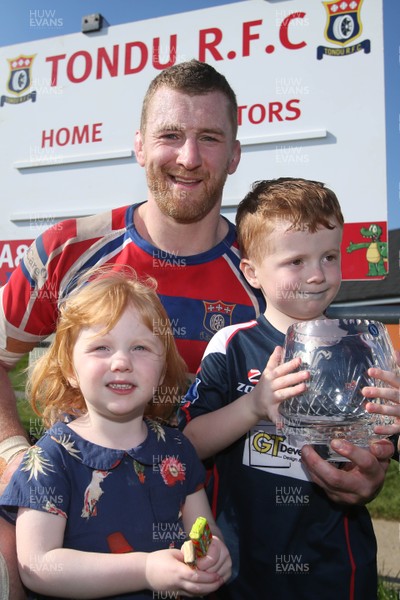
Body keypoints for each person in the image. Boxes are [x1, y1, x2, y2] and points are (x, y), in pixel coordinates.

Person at [0, 60, 397, 599]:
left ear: (234, 153)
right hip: (79, 524)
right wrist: (11, 453)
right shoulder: (69, 251)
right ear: (139, 145)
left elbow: (337, 414)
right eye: (170, 135)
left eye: (209, 138)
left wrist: (364, 472)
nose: (188, 158)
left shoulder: (273, 272)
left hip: (215, 551)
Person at [180, 178, 400, 600]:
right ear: (252, 272)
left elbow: (387, 439)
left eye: (329, 256)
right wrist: (253, 406)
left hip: (338, 567)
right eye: (296, 260)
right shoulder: (233, 345)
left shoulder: (364, 344)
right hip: (243, 567)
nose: (317, 275)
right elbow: (188, 442)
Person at [0, 267, 232, 599]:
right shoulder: (50, 460)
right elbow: (38, 566)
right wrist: (146, 569)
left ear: (163, 367)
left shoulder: (177, 449)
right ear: (69, 369)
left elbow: (204, 530)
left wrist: (215, 554)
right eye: (101, 348)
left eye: (140, 348)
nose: (122, 361)